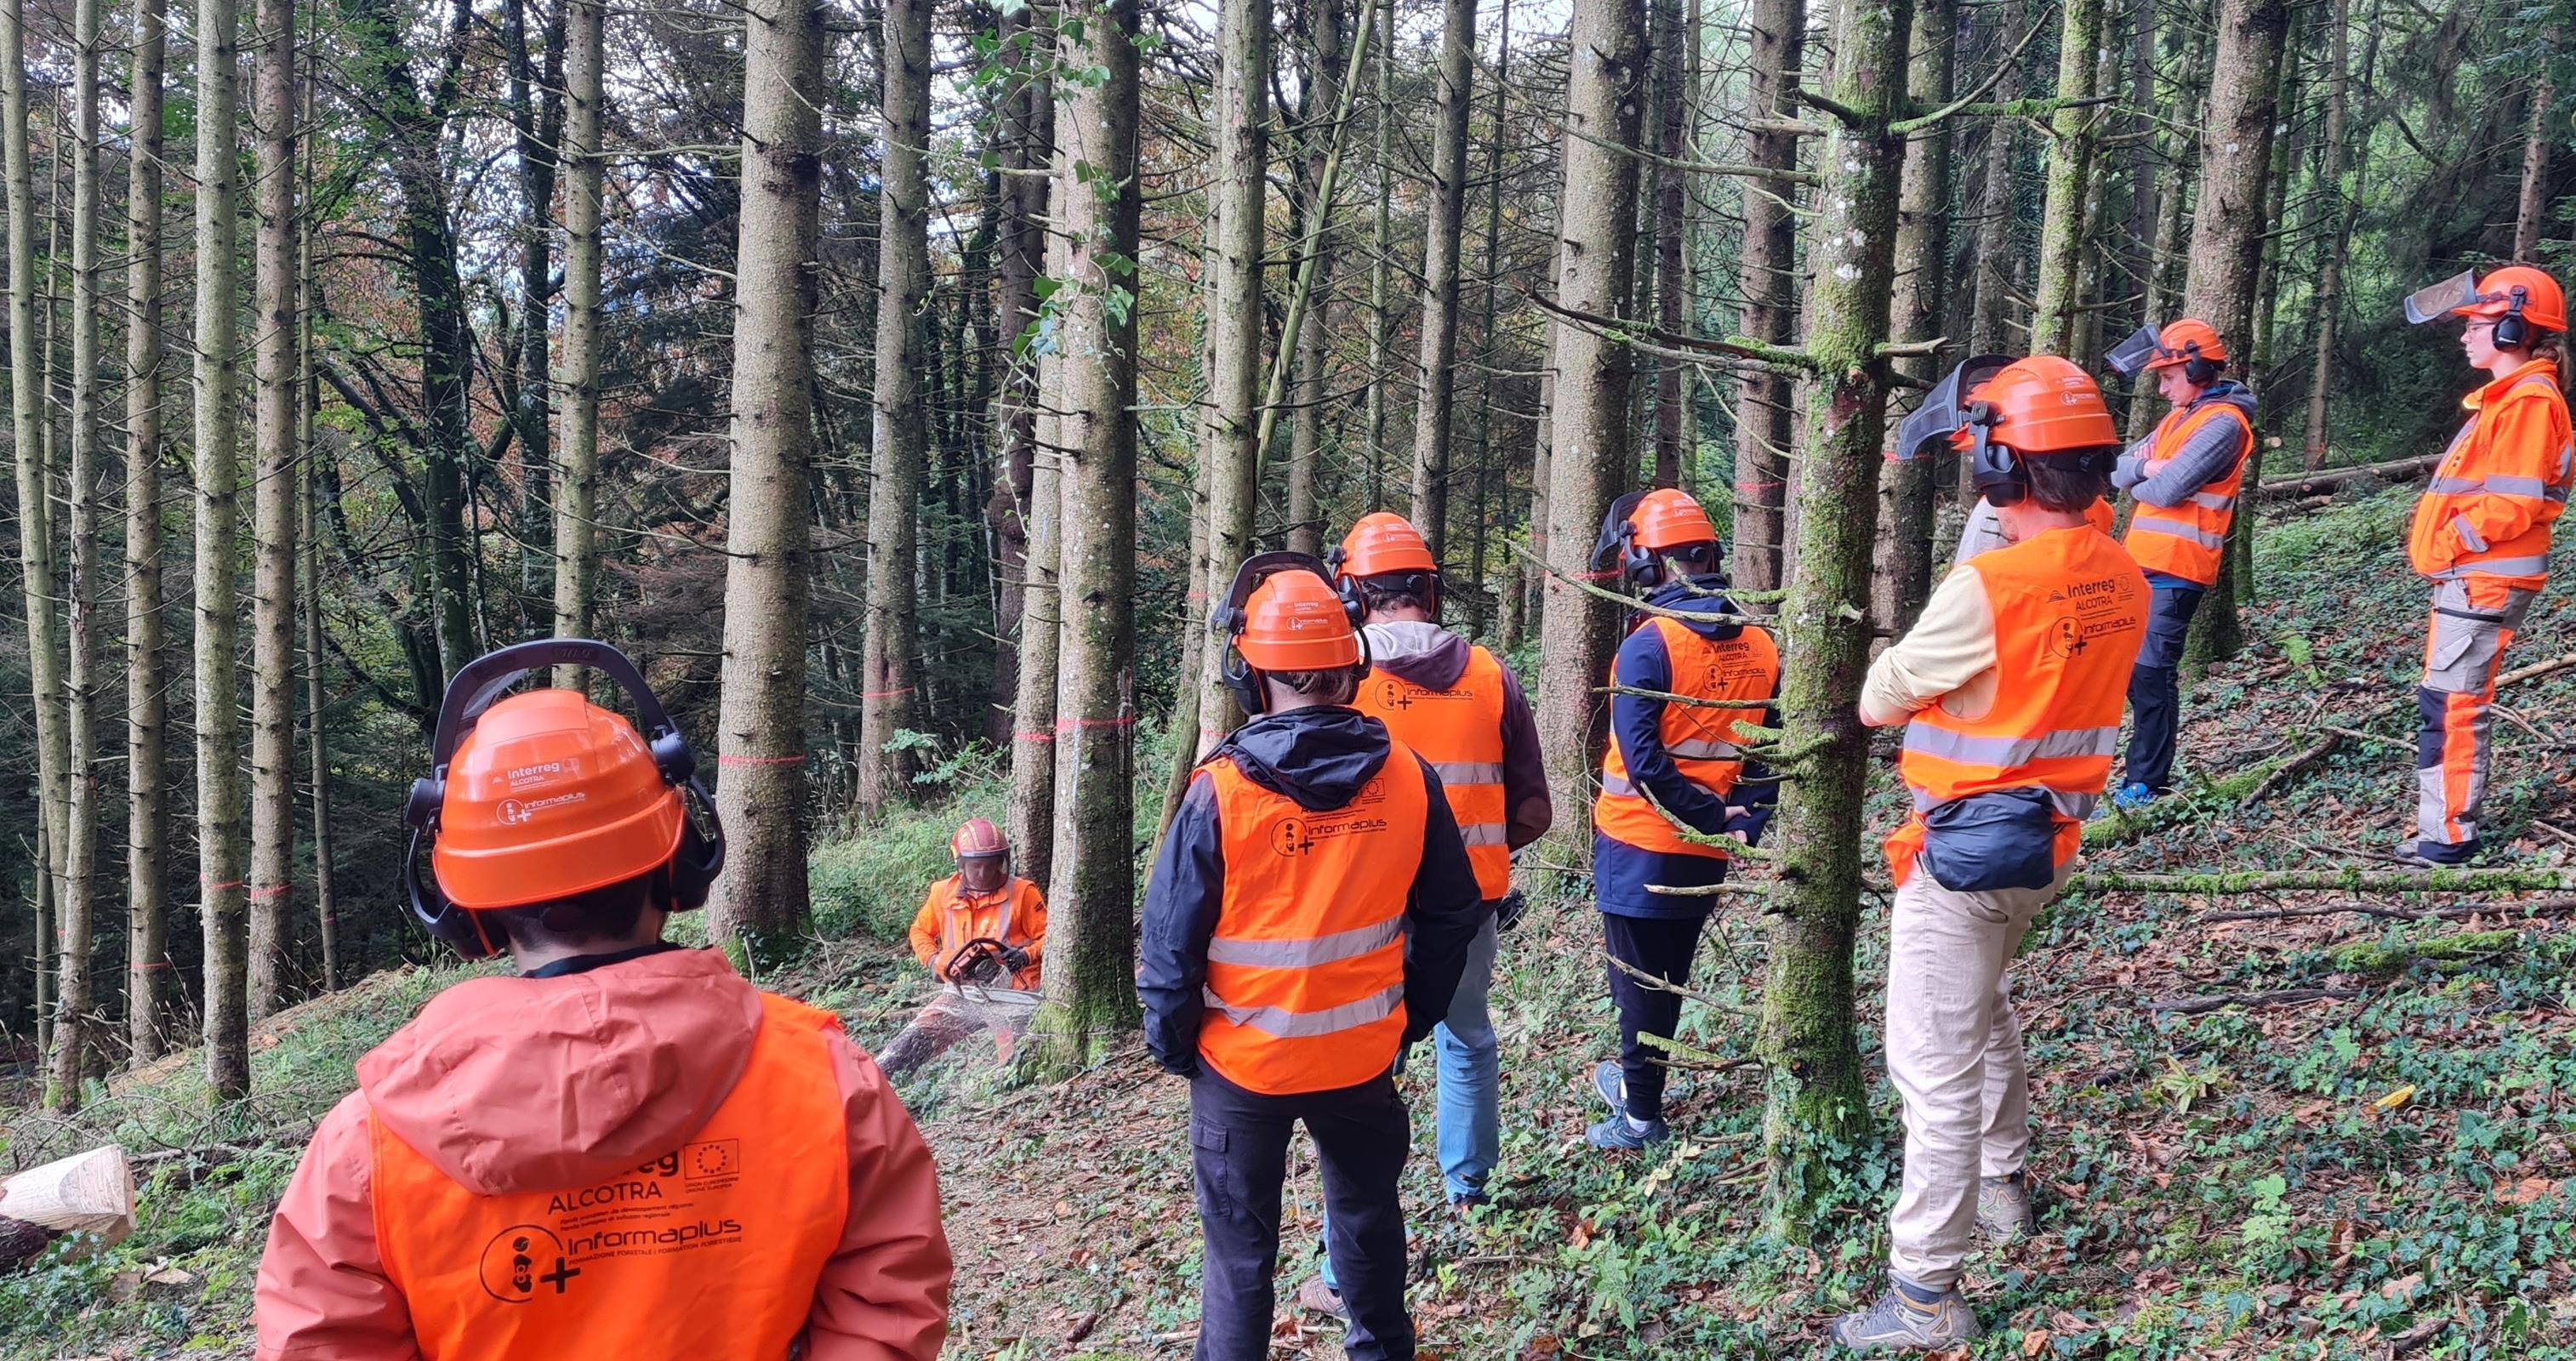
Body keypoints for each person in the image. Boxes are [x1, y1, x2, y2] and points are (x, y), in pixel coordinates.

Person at [253, 640, 951, 1361]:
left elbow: (318, 1342)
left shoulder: (370, 1142)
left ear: (467, 913)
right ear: (680, 864)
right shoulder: (826, 1080)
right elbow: (889, 1303)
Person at [1836, 356, 2148, 1350]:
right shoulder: (2123, 572)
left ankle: (1924, 1291)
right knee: (1986, 1007)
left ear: (2004, 471)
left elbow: (1877, 696)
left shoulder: (1986, 589)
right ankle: (2004, 1181)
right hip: (2046, 844)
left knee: (1930, 1069)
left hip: (1963, 857)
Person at [1138, 554, 1483, 1361]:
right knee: (1367, 1219)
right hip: (1360, 1057)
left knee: (1239, 1258)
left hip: (1241, 1066)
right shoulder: (1407, 776)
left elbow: (1169, 949)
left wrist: (1174, 1045)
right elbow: (1453, 913)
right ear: (1351, 668)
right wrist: (1407, 1017)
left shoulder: (1218, 792)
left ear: (1253, 676)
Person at [1291, 512, 1553, 1313]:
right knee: (1466, 1036)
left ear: (1350, 591)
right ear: (1429, 588)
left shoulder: (1338, 674)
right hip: (1468, 905)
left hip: (1365, 908)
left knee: (1365, 1070)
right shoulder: (1491, 674)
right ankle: (1468, 1190)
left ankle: (1346, 1271)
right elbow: (1535, 810)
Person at [1582, 488, 1781, 1150]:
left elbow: (1643, 762)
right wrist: (1741, 819)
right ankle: (1644, 1092)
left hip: (1639, 843)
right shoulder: (1758, 641)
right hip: (1708, 846)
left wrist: (1706, 814)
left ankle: (1640, 1116)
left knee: (1639, 985)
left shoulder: (1648, 646)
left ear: (1647, 564)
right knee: (1668, 978)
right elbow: (1768, 750)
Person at [2394, 265, 2574, 863]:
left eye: (2478, 323)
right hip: (2476, 576)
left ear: (2514, 330)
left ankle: (2448, 838)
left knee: (2453, 704)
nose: (2465, 335)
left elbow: (2516, 500)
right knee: (2446, 699)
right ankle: (2440, 829)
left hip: (2485, 576)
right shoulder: (2507, 400)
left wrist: (2449, 544)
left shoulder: (2526, 399)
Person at [2100, 317, 2259, 808]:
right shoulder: (2178, 419)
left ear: (2196, 367)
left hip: (2180, 567)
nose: (2163, 386)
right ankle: (2139, 774)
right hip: (2141, 562)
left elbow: (2167, 491)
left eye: (2169, 375)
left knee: (2151, 673)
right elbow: (2118, 467)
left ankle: (2146, 780)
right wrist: (2148, 468)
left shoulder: (2223, 424)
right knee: (2130, 671)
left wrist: (2145, 479)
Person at [879, 817, 1049, 1077]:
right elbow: (920, 931)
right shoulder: (942, 894)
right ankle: (876, 1080)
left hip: (1014, 996)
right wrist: (934, 960)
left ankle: (1002, 1086)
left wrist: (1025, 955)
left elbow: (1052, 937)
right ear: (961, 864)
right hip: (962, 992)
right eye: (977, 866)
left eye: (991, 866)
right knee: (907, 1045)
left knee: (1014, 1066)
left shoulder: (1023, 893)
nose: (984, 873)